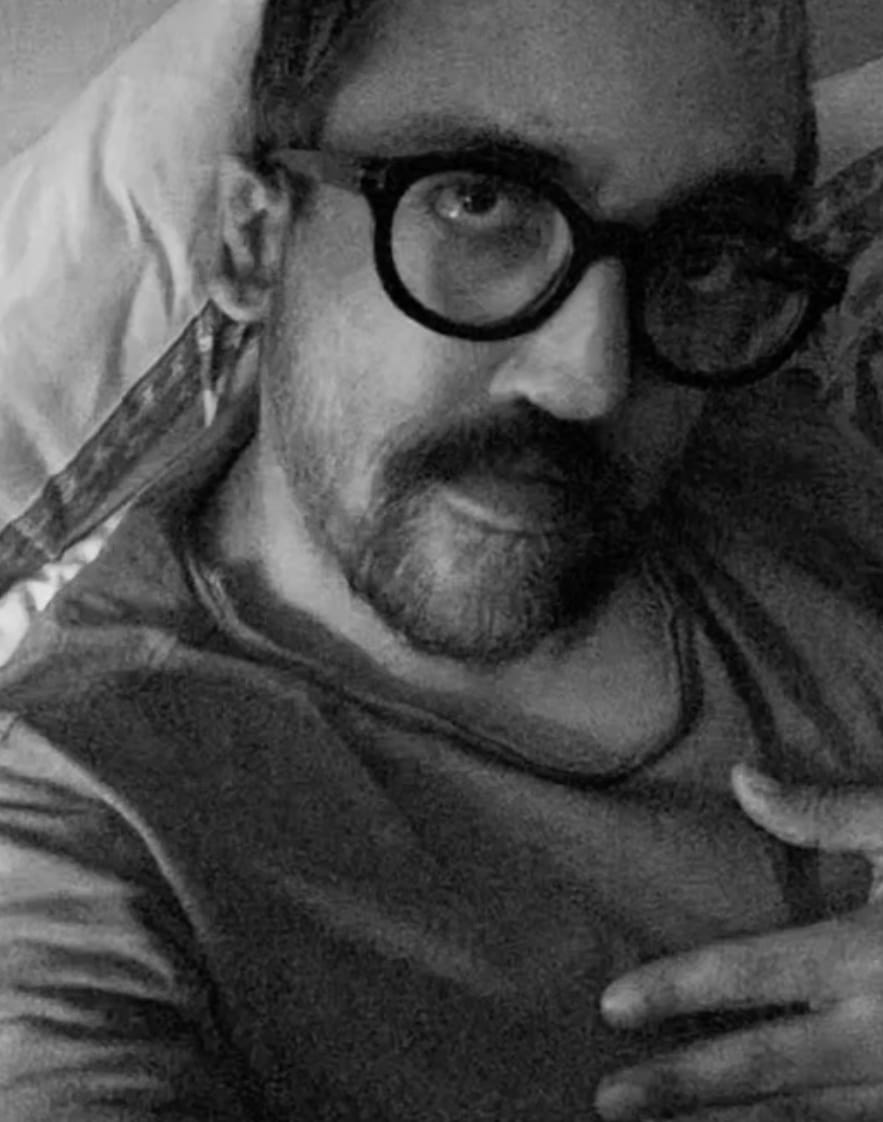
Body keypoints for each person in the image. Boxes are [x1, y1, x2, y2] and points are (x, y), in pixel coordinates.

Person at [2, 0, 883, 1118]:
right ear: (253, 240)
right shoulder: (82, 827)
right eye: (480, 203)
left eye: (701, 255)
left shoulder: (777, 454)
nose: (590, 378)